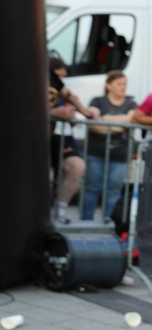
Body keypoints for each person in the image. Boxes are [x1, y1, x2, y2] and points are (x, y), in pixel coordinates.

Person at [83, 70, 138, 221]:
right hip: (96, 152)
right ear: (109, 85)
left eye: (125, 84)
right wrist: (119, 125)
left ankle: (109, 221)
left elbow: (132, 119)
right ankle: (86, 221)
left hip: (120, 155)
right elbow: (93, 124)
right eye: (119, 84)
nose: (123, 87)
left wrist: (107, 120)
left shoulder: (131, 102)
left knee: (114, 190)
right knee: (91, 188)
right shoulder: (97, 101)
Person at [48, 58, 90, 222]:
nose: (62, 79)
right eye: (59, 75)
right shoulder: (33, 77)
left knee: (77, 166)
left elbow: (69, 95)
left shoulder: (58, 85)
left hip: (61, 138)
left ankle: (61, 210)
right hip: (37, 138)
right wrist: (53, 113)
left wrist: (83, 111)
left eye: (64, 76)